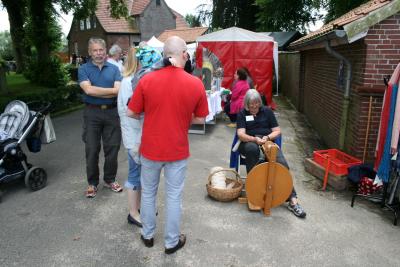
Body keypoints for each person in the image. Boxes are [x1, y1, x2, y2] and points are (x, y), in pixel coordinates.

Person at [127, 36, 209, 254]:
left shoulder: (147, 79)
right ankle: (171, 242)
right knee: (173, 196)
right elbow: (201, 119)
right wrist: (183, 118)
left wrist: (152, 113)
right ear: (184, 54)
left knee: (148, 193)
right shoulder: (195, 83)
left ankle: (147, 235)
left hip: (151, 149)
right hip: (177, 149)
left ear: (164, 55)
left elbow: (131, 112)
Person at [237, 89, 307, 218]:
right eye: (251, 104)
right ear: (246, 103)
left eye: (256, 103)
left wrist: (267, 138)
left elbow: (277, 131)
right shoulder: (242, 114)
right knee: (252, 150)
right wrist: (254, 139)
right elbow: (241, 134)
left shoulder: (267, 112)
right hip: (250, 141)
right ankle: (255, 188)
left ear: (260, 102)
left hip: (266, 141)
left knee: (282, 164)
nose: (254, 107)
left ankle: (293, 202)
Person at [117, 46, 163, 228]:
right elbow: (133, 111)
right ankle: (133, 213)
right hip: (135, 138)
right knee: (135, 175)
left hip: (139, 136)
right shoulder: (130, 82)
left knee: (144, 175)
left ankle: (143, 208)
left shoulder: (134, 80)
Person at [78, 37, 123, 198]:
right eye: (95, 50)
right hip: (92, 113)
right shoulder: (83, 69)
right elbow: (88, 91)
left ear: (105, 51)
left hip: (112, 113)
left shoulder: (114, 69)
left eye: (101, 50)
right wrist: (109, 91)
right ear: (90, 52)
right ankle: (92, 183)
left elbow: (118, 90)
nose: (98, 53)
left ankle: (110, 179)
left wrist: (95, 89)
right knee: (91, 149)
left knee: (113, 147)